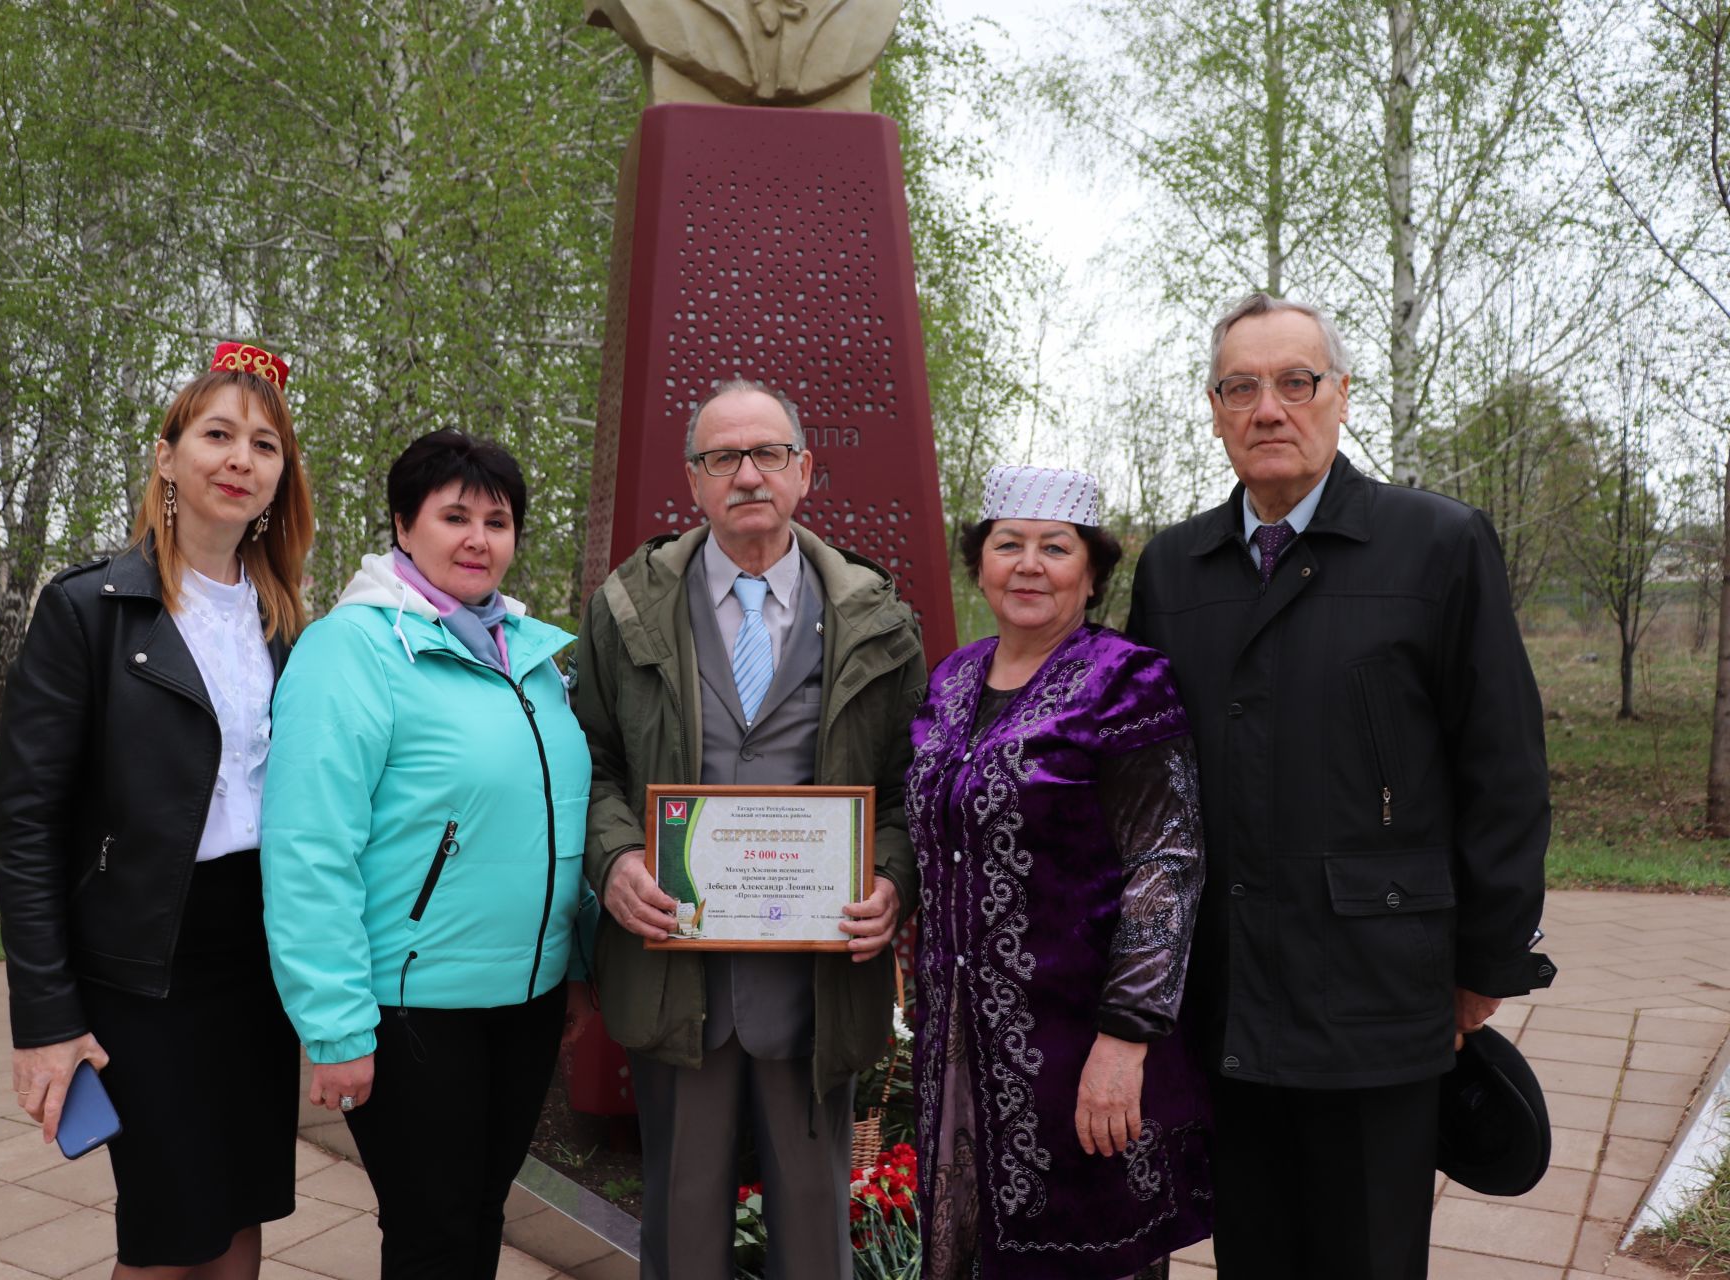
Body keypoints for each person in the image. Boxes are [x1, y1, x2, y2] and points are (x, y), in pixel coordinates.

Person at [1126, 293, 1557, 1280]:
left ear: (1342, 396)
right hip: (1226, 998)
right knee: (1257, 1255)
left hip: (1380, 995)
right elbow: (1147, 781)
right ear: (1214, 406)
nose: (1269, 407)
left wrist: (1486, 961)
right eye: (1243, 386)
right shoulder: (1174, 568)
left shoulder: (1437, 547)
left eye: (1296, 382)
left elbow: (1503, 767)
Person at [572, 379, 926, 1279]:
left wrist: (890, 879)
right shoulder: (627, 609)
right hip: (677, 978)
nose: (748, 475)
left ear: (805, 471)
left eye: (768, 454)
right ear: (693, 481)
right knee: (682, 1234)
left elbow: (906, 787)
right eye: (722, 457)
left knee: (815, 1239)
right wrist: (613, 861)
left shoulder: (879, 621)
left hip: (817, 985)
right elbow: (590, 761)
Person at [0, 341, 314, 1279]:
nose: (239, 459)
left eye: (263, 443)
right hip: (146, 968)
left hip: (261, 959)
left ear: (279, 476)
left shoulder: (289, 622)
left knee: (243, 1206)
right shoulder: (90, 610)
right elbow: (27, 827)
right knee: (171, 1230)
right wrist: (45, 1016)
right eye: (216, 434)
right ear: (167, 457)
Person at [260, 429, 595, 1280]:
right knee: (432, 1233)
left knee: (478, 1212)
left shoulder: (531, 654)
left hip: (525, 1001)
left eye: (499, 520)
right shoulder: (353, 650)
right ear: (404, 526)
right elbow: (308, 849)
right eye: (455, 516)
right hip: (415, 1008)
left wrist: (578, 965)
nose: (479, 539)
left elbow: (556, 815)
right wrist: (335, 1027)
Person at [906, 465, 1212, 1280]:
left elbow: (1167, 863)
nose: (1029, 565)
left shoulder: (1127, 680)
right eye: (1009, 545)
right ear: (981, 565)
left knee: (1088, 1251)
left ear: (1092, 570)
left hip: (1084, 1041)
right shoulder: (953, 678)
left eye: (1055, 547)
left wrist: (1127, 1037)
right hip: (962, 1043)